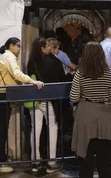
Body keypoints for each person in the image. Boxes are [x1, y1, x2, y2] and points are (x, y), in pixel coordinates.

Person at [70, 42, 111, 178]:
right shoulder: (110, 72)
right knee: (105, 161)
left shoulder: (80, 73)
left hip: (86, 116)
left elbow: (74, 96)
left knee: (85, 160)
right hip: (106, 116)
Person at [0, 37, 43, 173]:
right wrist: (33, 82)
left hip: (4, 95)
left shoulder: (6, 56)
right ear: (11, 46)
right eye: (18, 46)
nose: (20, 49)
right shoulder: (9, 57)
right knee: (2, 129)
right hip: (4, 95)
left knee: (2, 128)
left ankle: (0, 159)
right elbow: (16, 73)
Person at [26, 37, 68, 173]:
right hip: (50, 99)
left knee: (35, 129)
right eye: (47, 47)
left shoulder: (31, 61)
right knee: (52, 127)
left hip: (35, 99)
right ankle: (51, 160)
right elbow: (61, 76)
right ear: (42, 48)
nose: (49, 49)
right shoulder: (51, 61)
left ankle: (35, 160)